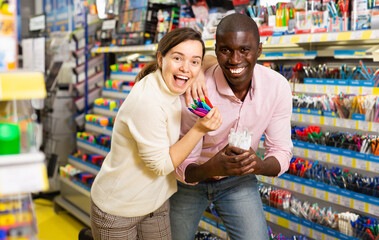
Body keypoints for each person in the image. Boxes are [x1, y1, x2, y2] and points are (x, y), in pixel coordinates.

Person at [90, 27, 222, 240]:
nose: (186, 68)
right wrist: (200, 129)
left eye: (194, 62)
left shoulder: (172, 83)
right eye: (177, 58)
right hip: (118, 209)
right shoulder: (147, 101)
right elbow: (161, 165)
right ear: (161, 59)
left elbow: (209, 57)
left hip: (156, 203)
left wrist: (199, 73)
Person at [170, 13, 293, 240]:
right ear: (215, 51)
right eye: (226, 50)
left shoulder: (277, 88)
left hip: (238, 178)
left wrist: (258, 165)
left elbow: (282, 150)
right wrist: (213, 168)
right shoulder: (198, 91)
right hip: (190, 179)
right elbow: (182, 163)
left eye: (245, 50)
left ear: (259, 50)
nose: (235, 60)